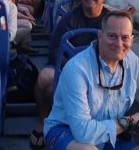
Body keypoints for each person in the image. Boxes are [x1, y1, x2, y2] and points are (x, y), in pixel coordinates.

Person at [30, 0, 109, 149]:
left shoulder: (109, 20)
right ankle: (44, 121)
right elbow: (54, 49)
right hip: (68, 66)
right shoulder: (69, 19)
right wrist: (73, 72)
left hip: (100, 70)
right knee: (45, 79)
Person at [44, 10, 139, 150]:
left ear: (132, 39)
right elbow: (83, 133)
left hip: (109, 131)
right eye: (112, 36)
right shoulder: (77, 69)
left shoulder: (133, 62)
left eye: (125, 37)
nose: (119, 44)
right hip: (67, 129)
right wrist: (130, 121)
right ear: (100, 36)